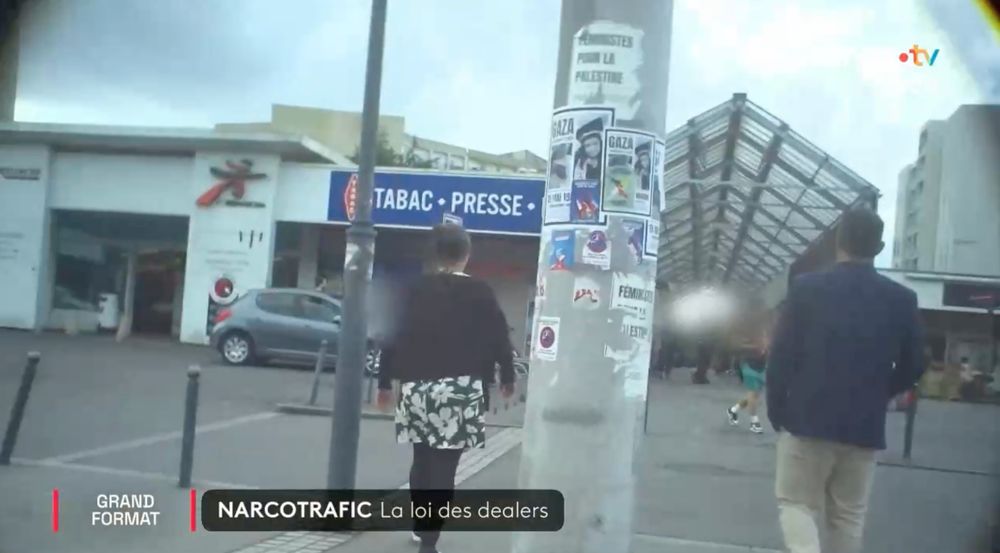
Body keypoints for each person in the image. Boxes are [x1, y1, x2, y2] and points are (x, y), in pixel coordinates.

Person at [767, 207, 925, 553]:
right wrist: (881, 390)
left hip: (806, 420)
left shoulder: (807, 289)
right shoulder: (901, 299)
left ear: (839, 240)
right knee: (848, 518)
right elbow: (916, 363)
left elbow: (781, 356)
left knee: (795, 504)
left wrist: (778, 410)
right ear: (879, 248)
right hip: (864, 428)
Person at [376, 224, 515, 553]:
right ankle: (430, 539)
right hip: (463, 390)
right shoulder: (481, 292)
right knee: (445, 466)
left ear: (435, 255)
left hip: (417, 386)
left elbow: (392, 338)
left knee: (421, 459)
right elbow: (499, 337)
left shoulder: (413, 290)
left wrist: (383, 382)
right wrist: (507, 377)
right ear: (466, 255)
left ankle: (421, 525)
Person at [727, 332, 768, 434]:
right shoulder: (748, 328)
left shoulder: (769, 327)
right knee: (753, 394)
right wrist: (756, 347)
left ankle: (733, 410)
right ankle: (754, 422)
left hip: (761, 367)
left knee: (754, 396)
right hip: (748, 365)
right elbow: (735, 345)